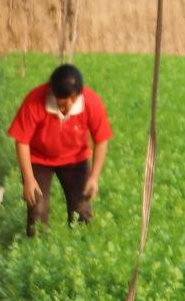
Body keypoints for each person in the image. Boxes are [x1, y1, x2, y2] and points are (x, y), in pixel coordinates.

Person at [7, 63, 111, 236]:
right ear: (52, 92)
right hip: (39, 160)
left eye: (72, 100)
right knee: (37, 208)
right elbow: (22, 141)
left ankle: (80, 252)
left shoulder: (91, 102)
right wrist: (29, 179)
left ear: (79, 93)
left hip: (76, 161)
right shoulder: (35, 100)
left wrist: (94, 177)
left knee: (82, 210)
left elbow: (101, 140)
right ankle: (37, 254)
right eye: (61, 104)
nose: (67, 107)